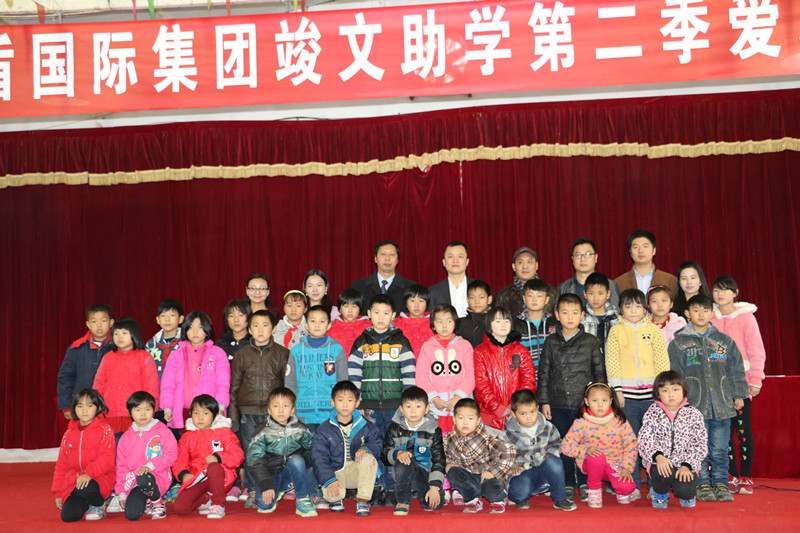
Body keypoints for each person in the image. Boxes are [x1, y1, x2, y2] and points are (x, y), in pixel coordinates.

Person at [668, 294, 748, 503]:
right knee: (698, 450)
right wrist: (679, 402)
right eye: (696, 311)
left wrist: (739, 394)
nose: (701, 314)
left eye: (705, 310)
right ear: (687, 314)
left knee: (720, 449)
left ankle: (721, 484)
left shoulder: (724, 341)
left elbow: (735, 369)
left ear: (712, 313)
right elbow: (675, 376)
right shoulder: (678, 343)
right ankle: (702, 484)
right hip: (694, 407)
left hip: (722, 405)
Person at [348, 293, 416, 506]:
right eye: (376, 312)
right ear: (369, 314)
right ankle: (375, 488)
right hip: (368, 406)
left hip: (395, 405)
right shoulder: (361, 342)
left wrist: (406, 403)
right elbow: (353, 374)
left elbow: (409, 374)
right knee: (372, 446)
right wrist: (357, 402)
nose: (380, 317)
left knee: (393, 446)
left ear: (393, 315)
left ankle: (391, 488)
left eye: (385, 313)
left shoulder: (401, 341)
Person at [537, 293, 605, 503]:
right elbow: (544, 373)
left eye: (575, 313)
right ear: (557, 315)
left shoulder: (590, 341)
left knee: (586, 442)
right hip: (557, 403)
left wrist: (599, 402)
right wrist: (544, 401)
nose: (569, 317)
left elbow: (599, 374)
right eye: (565, 312)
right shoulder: (551, 341)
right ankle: (567, 482)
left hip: (582, 404)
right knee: (564, 445)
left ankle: (585, 481)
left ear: (582, 315)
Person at [604, 289, 669, 499]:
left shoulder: (654, 330)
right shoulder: (616, 331)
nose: (633, 310)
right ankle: (632, 487)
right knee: (629, 442)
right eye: (628, 306)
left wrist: (662, 392)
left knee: (653, 441)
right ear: (620, 309)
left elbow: (662, 362)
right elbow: (612, 362)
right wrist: (617, 391)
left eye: (638, 306)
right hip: (627, 398)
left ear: (645, 308)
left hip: (651, 397)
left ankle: (655, 486)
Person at [229, 309, 291, 508]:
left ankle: (274, 487)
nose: (260, 330)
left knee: (274, 452)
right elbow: (234, 388)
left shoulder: (283, 353)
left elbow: (288, 387)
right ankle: (253, 489)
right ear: (249, 329)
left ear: (273, 329)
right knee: (252, 453)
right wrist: (234, 418)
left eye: (265, 325)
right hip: (248, 413)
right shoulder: (241, 355)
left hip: (274, 414)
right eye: (255, 326)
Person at [710, 276, 766, 495]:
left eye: (725, 290)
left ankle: (746, 476)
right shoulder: (709, 317)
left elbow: (756, 349)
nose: (720, 294)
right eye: (716, 290)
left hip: (740, 382)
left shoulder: (746, 317)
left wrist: (755, 379)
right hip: (717, 384)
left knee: (742, 430)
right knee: (723, 432)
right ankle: (731, 474)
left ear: (735, 293)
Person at [560, 382, 638, 508]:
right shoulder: (581, 422)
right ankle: (594, 490)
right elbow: (565, 445)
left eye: (604, 400)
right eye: (595, 400)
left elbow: (631, 444)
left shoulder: (619, 421)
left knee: (627, 488)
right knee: (596, 456)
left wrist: (626, 467)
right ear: (587, 401)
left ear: (611, 401)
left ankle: (620, 489)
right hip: (591, 464)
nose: (600, 405)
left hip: (615, 464)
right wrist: (585, 450)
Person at [638, 371, 707, 509]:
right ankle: (660, 494)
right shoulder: (652, 413)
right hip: (660, 462)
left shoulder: (694, 414)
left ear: (683, 390)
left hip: (685, 463)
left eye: (675, 389)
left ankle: (688, 494)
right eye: (665, 390)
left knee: (685, 490)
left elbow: (700, 444)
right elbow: (644, 440)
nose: (670, 395)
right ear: (658, 393)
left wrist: (687, 465)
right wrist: (658, 457)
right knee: (662, 473)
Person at [312, 381, 382, 517]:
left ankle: (362, 501)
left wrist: (366, 448)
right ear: (332, 402)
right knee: (333, 495)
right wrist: (329, 479)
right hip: (336, 472)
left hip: (357, 471)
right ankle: (336, 500)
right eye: (340, 400)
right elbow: (319, 457)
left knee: (368, 458)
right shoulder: (324, 429)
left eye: (350, 400)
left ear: (357, 403)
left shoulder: (365, 425)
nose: (345, 405)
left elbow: (377, 442)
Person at [247, 387, 317, 517]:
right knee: (263, 505)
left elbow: (313, 449)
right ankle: (277, 489)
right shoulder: (261, 431)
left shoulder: (300, 429)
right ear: (269, 410)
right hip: (270, 475)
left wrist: (303, 459)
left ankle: (302, 498)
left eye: (285, 406)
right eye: (275, 406)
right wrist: (266, 484)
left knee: (297, 460)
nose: (280, 410)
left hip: (291, 472)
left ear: (292, 409)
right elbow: (254, 460)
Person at [502, 389, 576, 511]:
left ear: (537, 409)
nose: (529, 417)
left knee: (555, 462)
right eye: (523, 414)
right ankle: (522, 497)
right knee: (519, 492)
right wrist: (512, 466)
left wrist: (549, 455)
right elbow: (500, 455)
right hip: (522, 473)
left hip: (543, 470)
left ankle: (560, 498)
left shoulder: (547, 426)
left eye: (532, 412)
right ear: (514, 414)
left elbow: (557, 444)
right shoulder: (507, 434)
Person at [160, 311, 230, 438]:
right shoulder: (176, 355)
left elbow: (223, 385)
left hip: (210, 412)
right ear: (185, 331)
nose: (195, 331)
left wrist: (220, 408)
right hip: (183, 412)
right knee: (186, 447)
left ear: (207, 330)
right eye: (191, 327)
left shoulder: (218, 353)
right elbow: (168, 385)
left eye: (200, 327)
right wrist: (168, 408)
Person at [172, 394, 244, 519]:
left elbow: (238, 456)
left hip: (221, 476)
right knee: (179, 507)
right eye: (196, 413)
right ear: (190, 414)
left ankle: (218, 503)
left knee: (213, 466)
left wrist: (219, 457)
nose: (200, 417)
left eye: (205, 413)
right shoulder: (187, 437)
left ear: (214, 415)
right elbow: (180, 461)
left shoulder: (225, 432)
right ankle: (206, 498)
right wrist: (183, 474)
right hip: (198, 478)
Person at [52, 389, 116, 522]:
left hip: (99, 479)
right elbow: (62, 465)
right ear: (74, 409)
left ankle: (98, 504)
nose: (84, 410)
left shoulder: (105, 430)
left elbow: (106, 459)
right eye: (80, 406)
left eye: (89, 405)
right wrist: (58, 492)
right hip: (75, 483)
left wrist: (88, 474)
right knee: (68, 516)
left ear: (98, 408)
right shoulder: (69, 434)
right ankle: (87, 501)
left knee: (86, 487)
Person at [381, 386, 446, 515]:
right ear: (401, 409)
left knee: (432, 506)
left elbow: (439, 460)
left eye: (418, 406)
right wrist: (397, 454)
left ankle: (421, 491)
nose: (413, 411)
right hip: (402, 475)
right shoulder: (394, 428)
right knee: (404, 461)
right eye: (408, 406)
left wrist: (435, 486)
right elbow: (384, 455)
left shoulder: (434, 431)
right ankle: (403, 501)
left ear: (426, 409)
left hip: (426, 475)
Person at [444, 398, 516, 514]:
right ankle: (473, 499)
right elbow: (445, 456)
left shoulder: (486, 438)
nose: (465, 422)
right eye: (461, 418)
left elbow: (509, 451)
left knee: (491, 485)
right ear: (454, 419)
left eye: (470, 418)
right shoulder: (449, 439)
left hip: (487, 477)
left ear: (478, 421)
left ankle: (498, 500)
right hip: (469, 478)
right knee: (452, 472)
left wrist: (493, 471)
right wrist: (448, 464)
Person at [113, 391, 178, 521]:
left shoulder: (162, 431)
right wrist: (121, 493)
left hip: (158, 477)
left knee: (143, 477)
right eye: (138, 410)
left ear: (153, 411)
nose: (143, 414)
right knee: (131, 514)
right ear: (130, 412)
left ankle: (157, 503)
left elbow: (171, 454)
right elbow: (121, 467)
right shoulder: (126, 438)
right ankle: (148, 501)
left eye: (147, 409)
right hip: (135, 482)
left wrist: (150, 465)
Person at [93, 317, 160, 437]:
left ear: (134, 334)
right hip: (109, 416)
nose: (120, 337)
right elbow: (99, 385)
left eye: (124, 333)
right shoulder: (108, 357)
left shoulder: (144, 357)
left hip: (136, 417)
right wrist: (96, 408)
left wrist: (149, 411)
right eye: (116, 333)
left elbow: (151, 388)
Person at [473, 306, 536, 430]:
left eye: (507, 321)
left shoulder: (521, 350)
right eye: (498, 321)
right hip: (490, 416)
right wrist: (496, 406)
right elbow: (481, 385)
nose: (503, 324)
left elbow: (529, 381)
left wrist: (515, 405)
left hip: (517, 414)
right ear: (489, 325)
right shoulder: (480, 351)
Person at [286, 305, 349, 428]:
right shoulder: (296, 351)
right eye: (313, 321)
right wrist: (291, 408)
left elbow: (343, 382)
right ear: (306, 325)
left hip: (331, 413)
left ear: (329, 325)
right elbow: (290, 383)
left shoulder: (337, 350)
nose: (317, 325)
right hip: (302, 414)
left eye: (322, 321)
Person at [416, 304, 475, 434]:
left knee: (462, 439)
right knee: (437, 440)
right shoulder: (427, 348)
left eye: (448, 321)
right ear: (433, 326)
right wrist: (434, 398)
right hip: (436, 407)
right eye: (439, 321)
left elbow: (471, 374)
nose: (444, 326)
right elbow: (421, 377)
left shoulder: (464, 345)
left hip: (462, 406)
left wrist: (459, 396)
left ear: (455, 323)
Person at [56, 304, 114, 420]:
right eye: (94, 321)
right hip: (83, 407)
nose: (99, 325)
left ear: (111, 322)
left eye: (103, 321)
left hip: (110, 405)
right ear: (88, 324)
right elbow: (65, 377)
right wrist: (66, 406)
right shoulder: (77, 347)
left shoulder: (118, 346)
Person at [350, 240, 418, 313]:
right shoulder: (358, 286)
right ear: (375, 259)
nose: (387, 258)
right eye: (383, 254)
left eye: (392, 254)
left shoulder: (412, 288)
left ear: (397, 260)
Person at [495, 247, 556, 319]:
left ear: (536, 265)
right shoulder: (502, 296)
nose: (525, 266)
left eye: (529, 262)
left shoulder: (553, 293)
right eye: (520, 262)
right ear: (514, 267)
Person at [559, 238, 620, 309]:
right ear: (572, 259)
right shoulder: (562, 288)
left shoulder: (610, 285)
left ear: (596, 257)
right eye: (578, 255)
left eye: (588, 254)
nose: (583, 259)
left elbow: (616, 313)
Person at [513, 278, 557, 375]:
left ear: (547, 300)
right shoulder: (515, 325)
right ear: (524, 299)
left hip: (550, 379)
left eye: (539, 296)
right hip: (525, 379)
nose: (534, 299)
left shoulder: (554, 324)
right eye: (530, 295)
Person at [615, 230, 677, 296]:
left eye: (645, 246)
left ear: (654, 250)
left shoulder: (670, 281)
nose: (640, 250)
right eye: (636, 247)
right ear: (630, 252)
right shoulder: (618, 283)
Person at [428, 241, 473, 317]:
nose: (455, 260)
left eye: (460, 256)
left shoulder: (480, 289)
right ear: (444, 262)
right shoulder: (432, 292)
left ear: (467, 261)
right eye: (450, 257)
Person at [144, 299, 185, 379]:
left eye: (172, 315)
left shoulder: (185, 342)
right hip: (156, 386)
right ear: (158, 320)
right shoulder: (151, 345)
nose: (167, 319)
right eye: (163, 316)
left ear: (180, 319)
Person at [580, 273, 619, 355]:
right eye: (591, 293)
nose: (596, 298)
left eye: (600, 293)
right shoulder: (580, 317)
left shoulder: (616, 318)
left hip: (610, 361)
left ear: (608, 294)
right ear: (585, 294)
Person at [328, 288, 370, 356]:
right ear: (340, 309)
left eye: (354, 306)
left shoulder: (369, 327)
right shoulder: (330, 328)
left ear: (360, 308)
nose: (350, 310)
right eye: (346, 306)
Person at [393, 284, 433, 356]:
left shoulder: (434, 322)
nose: (416, 305)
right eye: (412, 301)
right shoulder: (396, 324)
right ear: (406, 304)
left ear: (427, 304)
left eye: (421, 301)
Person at [458, 280, 493, 348]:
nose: (477, 301)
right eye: (472, 298)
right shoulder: (459, 324)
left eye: (481, 297)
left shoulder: (495, 322)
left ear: (489, 299)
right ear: (468, 300)